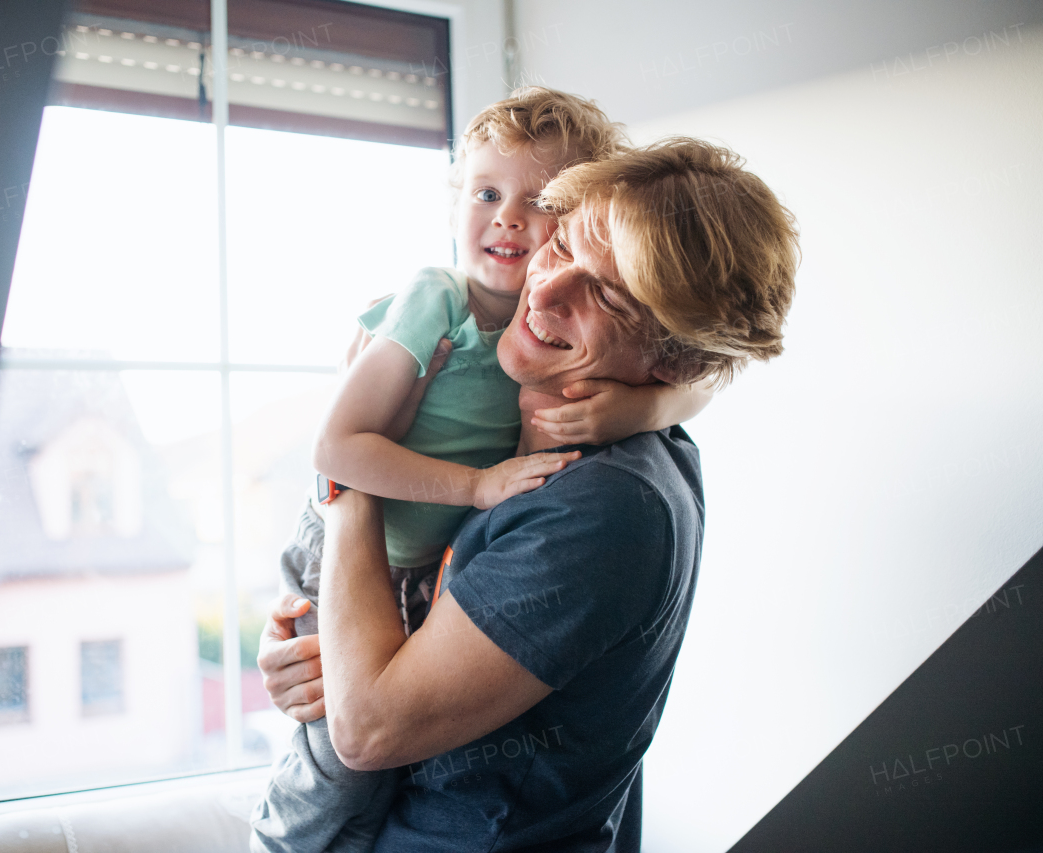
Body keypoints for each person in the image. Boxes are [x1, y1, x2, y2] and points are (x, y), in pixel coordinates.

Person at [257, 138, 799, 850]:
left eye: (605, 295)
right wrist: (323, 650)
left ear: (674, 358)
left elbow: (368, 727)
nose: (542, 292)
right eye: (562, 243)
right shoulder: (547, 422)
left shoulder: (606, 506)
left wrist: (352, 473)